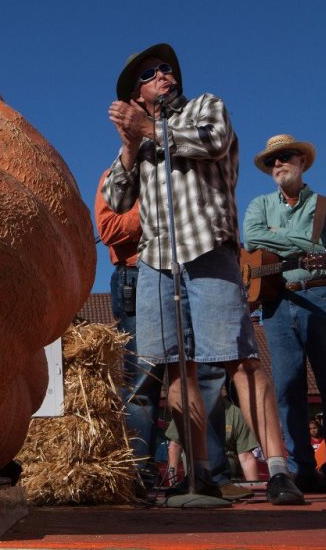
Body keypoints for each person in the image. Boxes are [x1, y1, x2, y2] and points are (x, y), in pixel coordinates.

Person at [101, 43, 303, 505]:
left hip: (208, 248)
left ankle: (277, 469)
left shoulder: (205, 106)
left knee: (239, 357)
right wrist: (132, 144)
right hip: (156, 261)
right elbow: (114, 198)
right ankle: (202, 472)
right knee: (175, 364)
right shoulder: (139, 140)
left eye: (165, 69)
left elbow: (212, 141)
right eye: (150, 74)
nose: (163, 75)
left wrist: (150, 128)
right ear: (137, 95)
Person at [95, 171, 238, 497]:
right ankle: (140, 477)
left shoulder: (181, 170)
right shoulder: (115, 175)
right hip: (136, 275)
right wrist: (155, 211)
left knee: (203, 372)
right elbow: (108, 230)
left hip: (188, 273)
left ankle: (212, 475)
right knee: (142, 379)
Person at [243, 133, 326, 493]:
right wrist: (307, 245)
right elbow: (251, 238)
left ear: (302, 162)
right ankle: (304, 470)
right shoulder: (258, 206)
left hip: (323, 295)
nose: (277, 164)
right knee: (287, 389)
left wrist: (276, 236)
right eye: (272, 161)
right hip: (277, 302)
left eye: (285, 157)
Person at [166, 396, 261, 482]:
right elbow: (175, 447)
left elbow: (246, 457)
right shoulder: (186, 412)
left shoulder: (236, 414)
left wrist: (254, 488)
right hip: (196, 483)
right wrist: (172, 481)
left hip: (231, 482)